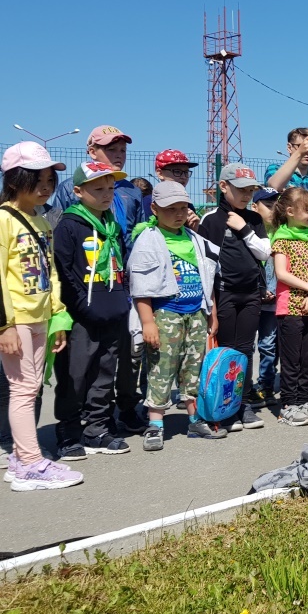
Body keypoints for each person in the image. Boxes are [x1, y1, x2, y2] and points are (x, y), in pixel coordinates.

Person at [51, 125, 147, 434]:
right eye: (110, 150)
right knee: (81, 362)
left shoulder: (131, 190)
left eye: (122, 151)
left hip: (122, 286)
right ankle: (74, 422)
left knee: (122, 357)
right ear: (91, 151)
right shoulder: (69, 190)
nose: (117, 156)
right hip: (86, 291)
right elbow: (66, 247)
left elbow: (136, 236)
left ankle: (118, 412)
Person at [0, 143, 78, 491]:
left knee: (30, 388)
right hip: (15, 320)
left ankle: (21, 459)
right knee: (22, 389)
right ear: (15, 179)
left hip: (40, 317)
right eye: (38, 178)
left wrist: (58, 315)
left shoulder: (41, 220)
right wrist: (6, 325)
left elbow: (51, 273)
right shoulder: (3, 219)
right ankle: (30, 463)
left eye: (50, 178)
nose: (46, 186)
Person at [128, 182, 220, 451]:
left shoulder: (195, 240)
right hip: (166, 314)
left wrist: (211, 311)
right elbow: (141, 287)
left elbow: (208, 279)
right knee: (161, 368)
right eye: (171, 209)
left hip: (195, 313)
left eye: (183, 208)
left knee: (193, 367)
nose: (178, 214)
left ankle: (194, 418)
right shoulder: (148, 240)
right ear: (154, 208)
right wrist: (147, 322)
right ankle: (155, 424)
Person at [52, 161, 132, 461]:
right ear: (77, 191)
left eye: (110, 188)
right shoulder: (69, 225)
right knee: (74, 374)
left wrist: (120, 300)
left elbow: (120, 264)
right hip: (81, 317)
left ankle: (96, 428)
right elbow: (63, 272)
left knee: (104, 373)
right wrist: (82, 307)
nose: (106, 194)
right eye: (97, 188)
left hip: (112, 311)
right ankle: (69, 432)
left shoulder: (111, 224)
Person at [198, 163, 269, 429]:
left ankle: (243, 404)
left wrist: (243, 228)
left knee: (245, 350)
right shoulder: (211, 220)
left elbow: (264, 253)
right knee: (226, 351)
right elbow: (205, 266)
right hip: (224, 293)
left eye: (251, 190)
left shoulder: (254, 219)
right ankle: (224, 406)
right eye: (241, 189)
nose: (247, 195)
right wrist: (211, 306)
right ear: (223, 186)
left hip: (251, 294)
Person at [270, 187, 308, 426]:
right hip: (290, 307)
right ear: (290, 211)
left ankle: (305, 401)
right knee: (292, 359)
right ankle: (289, 405)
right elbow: (281, 273)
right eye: (307, 210)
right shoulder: (281, 238)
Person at [252, 187, 281, 402]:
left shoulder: (282, 232)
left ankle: (266, 384)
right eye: (268, 206)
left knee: (269, 343)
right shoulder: (250, 232)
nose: (274, 210)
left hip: (275, 299)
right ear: (255, 207)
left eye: (276, 205)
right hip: (252, 298)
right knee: (254, 344)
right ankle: (243, 387)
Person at [140, 150, 201, 230]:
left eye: (186, 172)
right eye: (177, 172)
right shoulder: (149, 202)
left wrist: (193, 230)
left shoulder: (187, 204)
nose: (183, 177)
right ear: (160, 173)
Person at [264, 127, 308, 198]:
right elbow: (274, 187)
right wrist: (299, 153)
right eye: (301, 146)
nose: (307, 151)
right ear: (289, 148)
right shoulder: (274, 169)